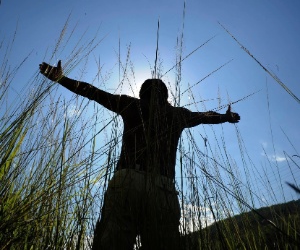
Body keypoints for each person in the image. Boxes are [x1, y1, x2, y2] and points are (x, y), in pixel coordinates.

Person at [39, 60, 240, 250]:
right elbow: (205, 117)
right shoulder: (179, 115)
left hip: (127, 180)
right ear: (166, 96)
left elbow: (93, 92)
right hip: (162, 186)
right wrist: (226, 117)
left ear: (142, 93)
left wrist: (60, 78)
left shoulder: (132, 105)